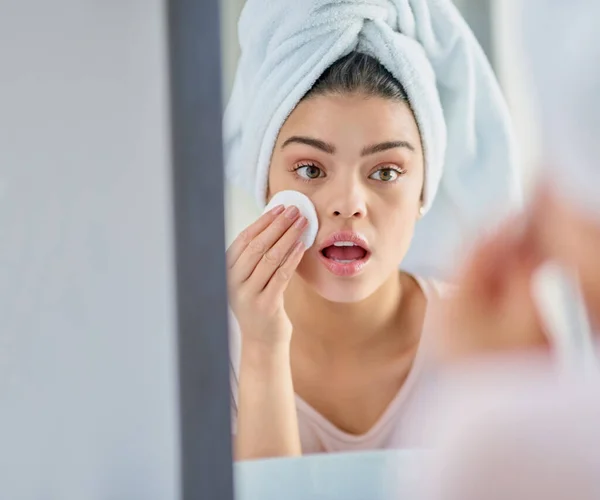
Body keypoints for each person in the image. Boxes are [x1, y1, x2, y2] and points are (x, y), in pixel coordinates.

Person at [223, 0, 520, 461]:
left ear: (424, 188)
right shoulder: (213, 351)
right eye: (309, 168)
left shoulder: (482, 337)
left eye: (384, 172)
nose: (348, 205)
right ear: (265, 181)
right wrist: (261, 347)